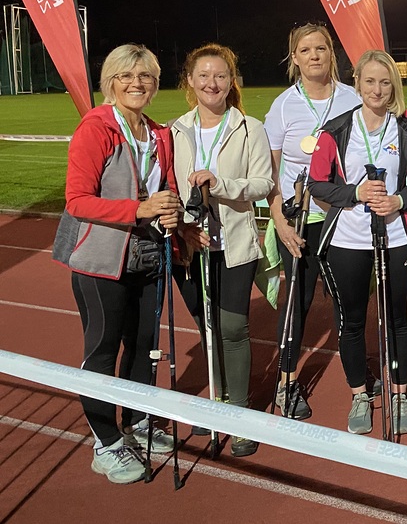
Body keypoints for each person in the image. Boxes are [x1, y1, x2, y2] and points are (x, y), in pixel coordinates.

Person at [53, 44, 182, 484]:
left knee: (144, 347)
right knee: (103, 350)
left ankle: (139, 420)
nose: (136, 84)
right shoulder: (97, 127)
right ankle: (106, 443)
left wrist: (170, 210)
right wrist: (139, 209)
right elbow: (77, 200)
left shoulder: (158, 133)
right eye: (126, 76)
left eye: (145, 76)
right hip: (100, 260)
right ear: (111, 81)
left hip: (147, 256)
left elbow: (165, 189)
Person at [308, 50, 407, 435]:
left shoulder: (406, 127)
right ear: (357, 84)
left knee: (398, 319)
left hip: (396, 237)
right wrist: (354, 193)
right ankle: (359, 395)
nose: (377, 89)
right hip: (348, 239)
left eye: (385, 82)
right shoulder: (336, 129)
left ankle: (400, 395)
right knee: (352, 320)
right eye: (370, 81)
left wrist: (399, 200)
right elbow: (316, 183)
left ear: (394, 86)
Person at [172, 44, 273, 456]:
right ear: (190, 81)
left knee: (232, 328)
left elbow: (263, 183)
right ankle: (219, 398)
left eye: (220, 76)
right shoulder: (175, 130)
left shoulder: (250, 129)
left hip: (234, 245)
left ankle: (240, 413)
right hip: (189, 246)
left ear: (231, 82)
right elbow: (166, 184)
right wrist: (182, 227)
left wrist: (220, 185)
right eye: (203, 75)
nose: (211, 83)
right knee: (207, 327)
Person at [263, 23, 361, 419]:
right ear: (295, 58)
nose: (314, 55)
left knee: (347, 301)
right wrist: (279, 220)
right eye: (305, 50)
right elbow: (269, 173)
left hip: (343, 220)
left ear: (331, 53)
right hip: (299, 220)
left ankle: (358, 375)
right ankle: (286, 383)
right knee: (297, 304)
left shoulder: (352, 98)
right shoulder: (283, 106)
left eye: (321, 48)